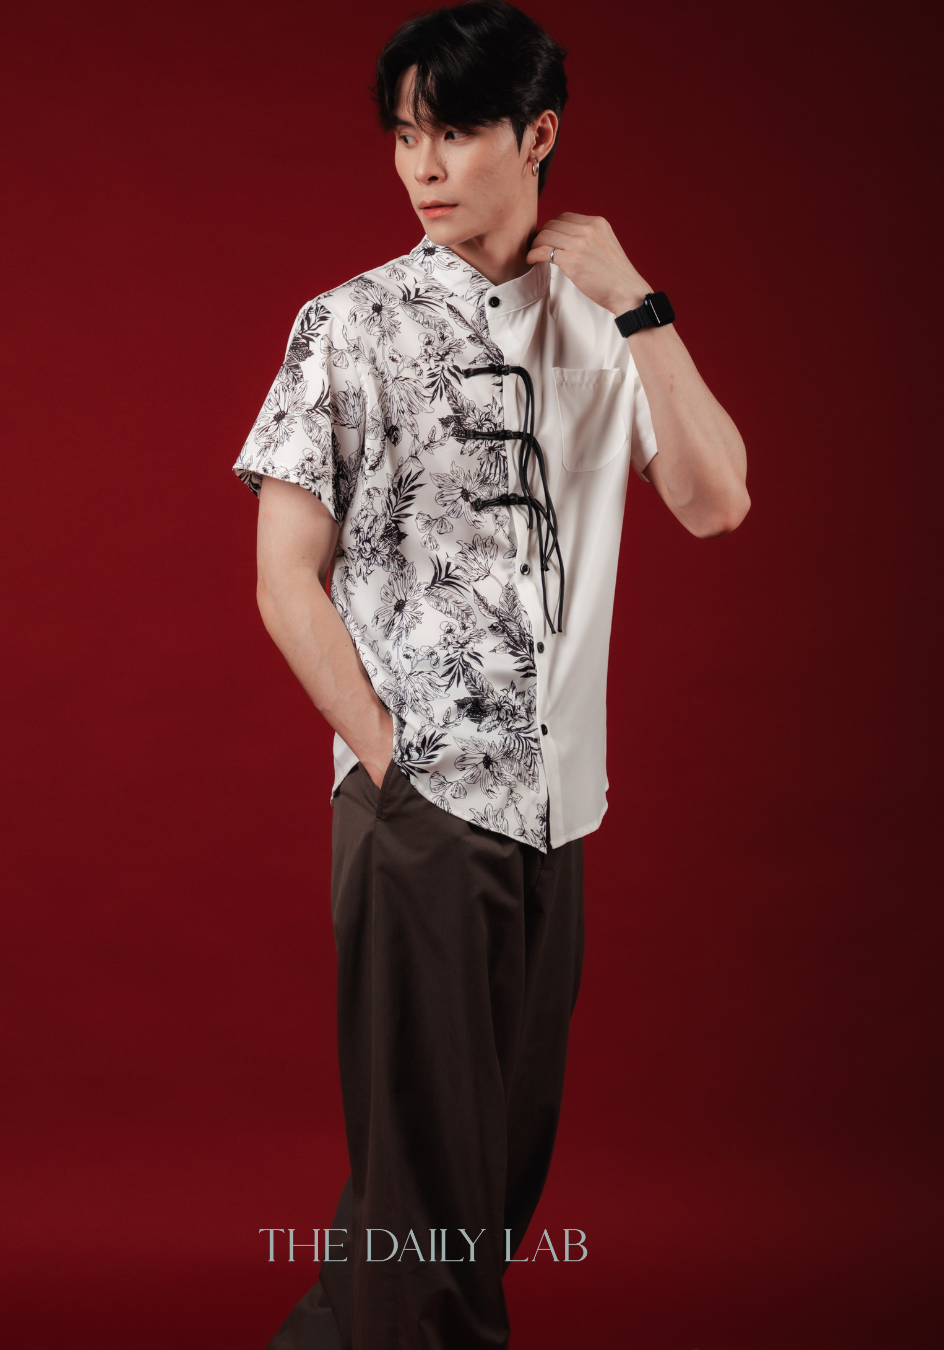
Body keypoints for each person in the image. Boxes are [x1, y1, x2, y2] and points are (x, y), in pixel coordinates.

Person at [234, 3, 749, 1345]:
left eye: (455, 131)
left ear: (538, 134)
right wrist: (388, 757)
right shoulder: (348, 325)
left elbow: (717, 500)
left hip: (560, 810)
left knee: (486, 1186)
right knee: (428, 1197)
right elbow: (284, 578)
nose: (423, 164)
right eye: (406, 134)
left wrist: (639, 303)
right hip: (422, 805)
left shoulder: (606, 327)